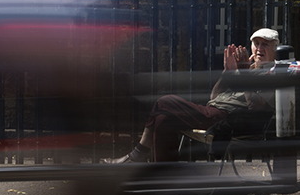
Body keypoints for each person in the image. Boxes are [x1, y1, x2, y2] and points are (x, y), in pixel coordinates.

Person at [110, 28, 280, 163]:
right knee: (163, 119)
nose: (259, 48)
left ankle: (138, 154)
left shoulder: (273, 73)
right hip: (213, 112)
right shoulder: (247, 68)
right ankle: (166, 178)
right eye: (256, 43)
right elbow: (215, 96)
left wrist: (242, 75)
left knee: (164, 102)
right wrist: (227, 73)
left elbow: (255, 107)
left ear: (275, 49)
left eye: (265, 44)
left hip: (228, 120)